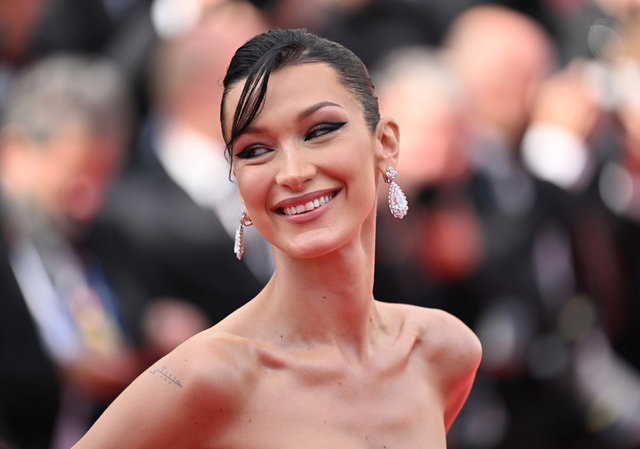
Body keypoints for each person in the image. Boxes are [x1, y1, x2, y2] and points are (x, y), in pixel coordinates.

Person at [72, 28, 481, 449]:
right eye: (255, 150)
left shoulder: (442, 351)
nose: (293, 172)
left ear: (386, 144)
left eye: (320, 131)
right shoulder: (206, 376)